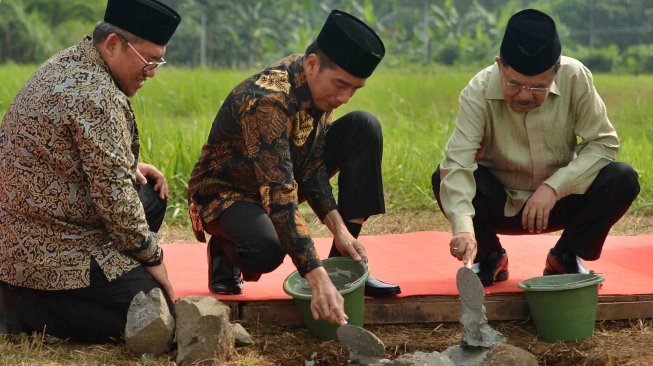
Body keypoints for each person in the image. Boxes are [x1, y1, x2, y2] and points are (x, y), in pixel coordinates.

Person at [188, 9, 401, 325]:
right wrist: (315, 277)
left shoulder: (318, 87)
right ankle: (226, 246)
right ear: (312, 63)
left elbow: (311, 166)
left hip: (282, 173)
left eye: (355, 88)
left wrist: (340, 230)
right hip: (228, 193)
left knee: (363, 127)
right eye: (341, 84)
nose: (345, 97)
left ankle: (343, 265)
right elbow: (280, 196)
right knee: (267, 248)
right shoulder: (268, 101)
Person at [0, 0, 181, 342]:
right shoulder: (95, 95)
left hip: (29, 226)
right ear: (113, 44)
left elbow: (59, 147)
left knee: (150, 196)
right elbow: (116, 200)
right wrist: (155, 261)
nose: (154, 71)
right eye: (150, 59)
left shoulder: (69, 61)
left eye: (159, 60)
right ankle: (29, 309)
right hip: (50, 245)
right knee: (154, 311)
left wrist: (129, 165)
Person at [431, 9, 640, 286]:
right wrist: (462, 228)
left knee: (622, 178)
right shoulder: (478, 90)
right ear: (499, 65)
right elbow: (458, 162)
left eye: (539, 87)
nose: (525, 95)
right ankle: (490, 255)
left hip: (560, 201)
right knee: (443, 175)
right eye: (514, 83)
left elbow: (604, 143)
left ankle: (565, 256)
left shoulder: (575, 77)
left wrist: (554, 187)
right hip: (500, 202)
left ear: (556, 71)